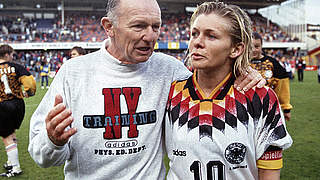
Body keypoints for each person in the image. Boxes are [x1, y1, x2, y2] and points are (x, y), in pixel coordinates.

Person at [28, 0, 265, 179]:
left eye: (156, 27)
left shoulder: (170, 70)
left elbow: (211, 84)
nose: (150, 36)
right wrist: (53, 141)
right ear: (109, 27)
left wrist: (242, 71)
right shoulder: (73, 73)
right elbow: (43, 157)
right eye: (139, 26)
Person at [165, 2, 292, 180]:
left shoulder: (261, 97)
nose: (197, 43)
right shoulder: (170, 92)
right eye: (194, 34)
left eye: (211, 36)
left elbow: (269, 173)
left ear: (236, 49)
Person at [0, 44, 36, 177]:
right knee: (11, 132)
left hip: (3, 105)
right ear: (7, 54)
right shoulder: (16, 67)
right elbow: (30, 83)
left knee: (7, 137)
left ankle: (15, 167)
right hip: (18, 104)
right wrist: (29, 93)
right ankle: (11, 161)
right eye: (12, 54)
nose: (12, 57)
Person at [251, 32, 293, 121]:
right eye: (250, 47)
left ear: (262, 46)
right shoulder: (239, 63)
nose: (253, 50)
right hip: (244, 109)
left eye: (257, 46)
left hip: (268, 108)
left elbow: (282, 86)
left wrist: (286, 108)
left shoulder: (272, 63)